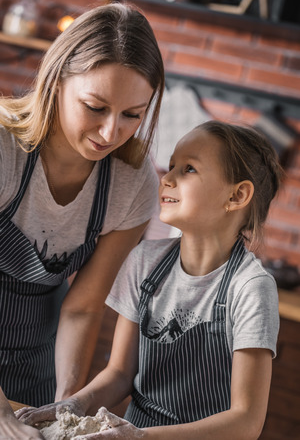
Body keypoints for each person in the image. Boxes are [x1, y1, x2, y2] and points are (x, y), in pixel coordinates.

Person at [17, 120, 283, 439]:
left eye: (189, 169)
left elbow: (245, 422)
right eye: (171, 166)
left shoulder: (251, 288)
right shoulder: (145, 261)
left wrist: (142, 438)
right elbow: (119, 373)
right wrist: (72, 404)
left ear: (237, 195)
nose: (166, 178)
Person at [0, 0, 165, 434]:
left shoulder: (133, 185)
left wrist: (65, 404)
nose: (112, 133)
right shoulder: (3, 150)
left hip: (32, 362)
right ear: (56, 82)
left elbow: (83, 306)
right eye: (95, 106)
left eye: (133, 115)